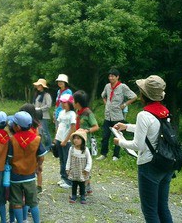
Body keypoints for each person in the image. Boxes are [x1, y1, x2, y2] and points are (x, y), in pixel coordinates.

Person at [113, 75, 173, 222]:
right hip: (166, 163)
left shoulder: (144, 115)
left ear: (143, 94)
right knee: (162, 207)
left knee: (150, 212)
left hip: (149, 166)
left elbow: (137, 145)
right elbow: (152, 130)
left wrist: (120, 142)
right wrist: (126, 127)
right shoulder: (164, 111)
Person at [8, 111, 47, 223]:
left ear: (18, 127)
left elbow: (10, 157)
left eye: (14, 124)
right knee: (33, 202)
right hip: (30, 176)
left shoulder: (13, 140)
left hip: (15, 176)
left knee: (16, 202)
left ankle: (20, 221)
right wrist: (38, 166)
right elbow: (41, 157)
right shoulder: (37, 139)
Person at [98, 68, 137, 161]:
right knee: (105, 136)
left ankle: (116, 155)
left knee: (118, 136)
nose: (110, 78)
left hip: (117, 116)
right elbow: (103, 95)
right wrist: (106, 103)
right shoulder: (107, 86)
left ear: (117, 77)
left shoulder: (122, 87)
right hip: (108, 115)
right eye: (109, 76)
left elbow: (134, 96)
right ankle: (103, 154)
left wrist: (125, 104)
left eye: (112, 76)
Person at [73, 90, 99, 194]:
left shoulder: (88, 113)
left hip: (86, 143)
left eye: (73, 101)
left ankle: (87, 185)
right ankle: (84, 185)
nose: (72, 102)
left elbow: (96, 127)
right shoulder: (77, 112)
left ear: (78, 102)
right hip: (77, 141)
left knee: (85, 163)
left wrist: (86, 131)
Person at [54, 94, 76, 189]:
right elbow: (59, 126)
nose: (63, 104)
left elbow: (73, 128)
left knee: (67, 160)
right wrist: (56, 138)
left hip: (66, 141)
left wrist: (66, 140)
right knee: (61, 159)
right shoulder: (61, 112)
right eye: (62, 102)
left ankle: (69, 180)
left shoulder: (72, 114)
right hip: (59, 138)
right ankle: (63, 177)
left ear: (70, 103)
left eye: (65, 102)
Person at [66, 130, 92, 204]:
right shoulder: (71, 149)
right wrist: (67, 168)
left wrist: (87, 169)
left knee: (82, 183)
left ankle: (82, 195)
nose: (76, 140)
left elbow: (89, 160)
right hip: (74, 170)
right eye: (75, 138)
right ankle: (74, 195)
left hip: (82, 170)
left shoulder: (85, 150)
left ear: (82, 140)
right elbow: (69, 159)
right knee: (74, 183)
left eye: (78, 138)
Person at [33, 78, 53, 151]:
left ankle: (49, 146)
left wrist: (40, 109)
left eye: (39, 85)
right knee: (39, 131)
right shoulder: (37, 95)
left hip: (44, 116)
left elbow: (48, 105)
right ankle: (41, 146)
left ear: (42, 86)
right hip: (37, 115)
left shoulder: (46, 95)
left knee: (45, 132)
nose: (38, 86)